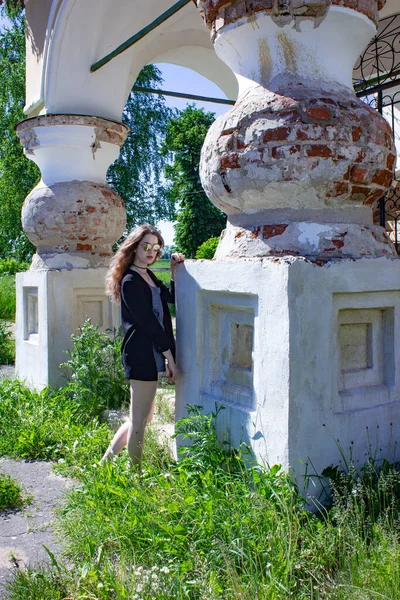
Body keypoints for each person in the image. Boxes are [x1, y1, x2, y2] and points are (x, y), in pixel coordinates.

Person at [101, 223, 184, 468]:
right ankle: (134, 476)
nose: (151, 252)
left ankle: (105, 464)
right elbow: (149, 323)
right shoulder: (130, 280)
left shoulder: (149, 276)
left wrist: (173, 272)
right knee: (139, 422)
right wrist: (170, 357)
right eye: (146, 246)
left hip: (151, 353)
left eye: (156, 248)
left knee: (142, 418)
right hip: (140, 354)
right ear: (134, 247)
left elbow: (172, 299)